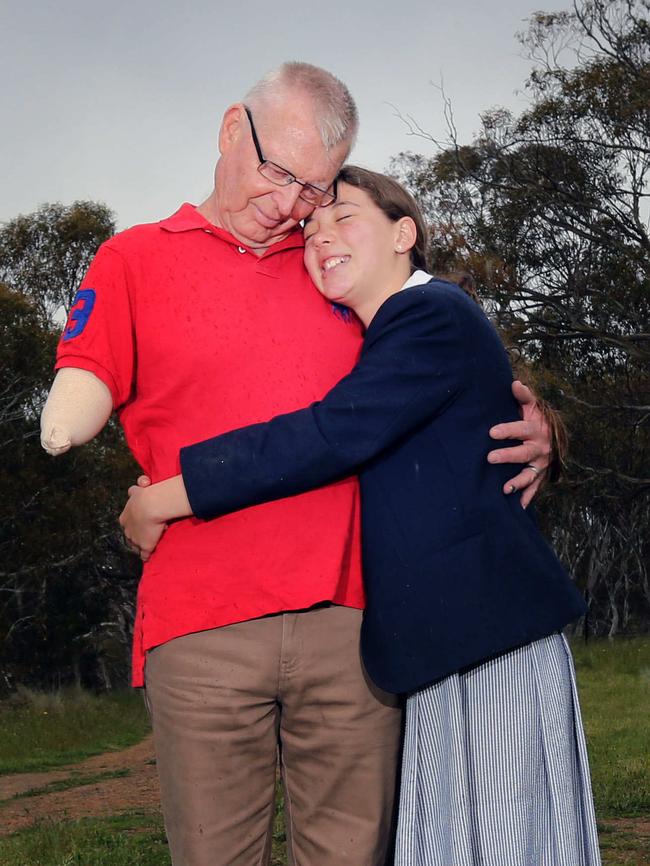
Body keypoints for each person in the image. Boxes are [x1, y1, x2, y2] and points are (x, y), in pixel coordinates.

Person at [43, 63, 555, 866]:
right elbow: (88, 375)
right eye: (277, 172)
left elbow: (424, 391)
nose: (291, 206)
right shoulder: (133, 257)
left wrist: (538, 425)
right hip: (201, 628)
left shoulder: (336, 266)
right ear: (228, 131)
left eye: (315, 189)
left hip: (356, 626)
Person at [120, 166, 601, 866]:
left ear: (404, 234)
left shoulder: (430, 311)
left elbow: (331, 433)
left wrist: (168, 493)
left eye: (344, 217)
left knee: (504, 841)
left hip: (488, 631)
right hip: (442, 641)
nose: (321, 238)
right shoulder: (395, 331)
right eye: (312, 229)